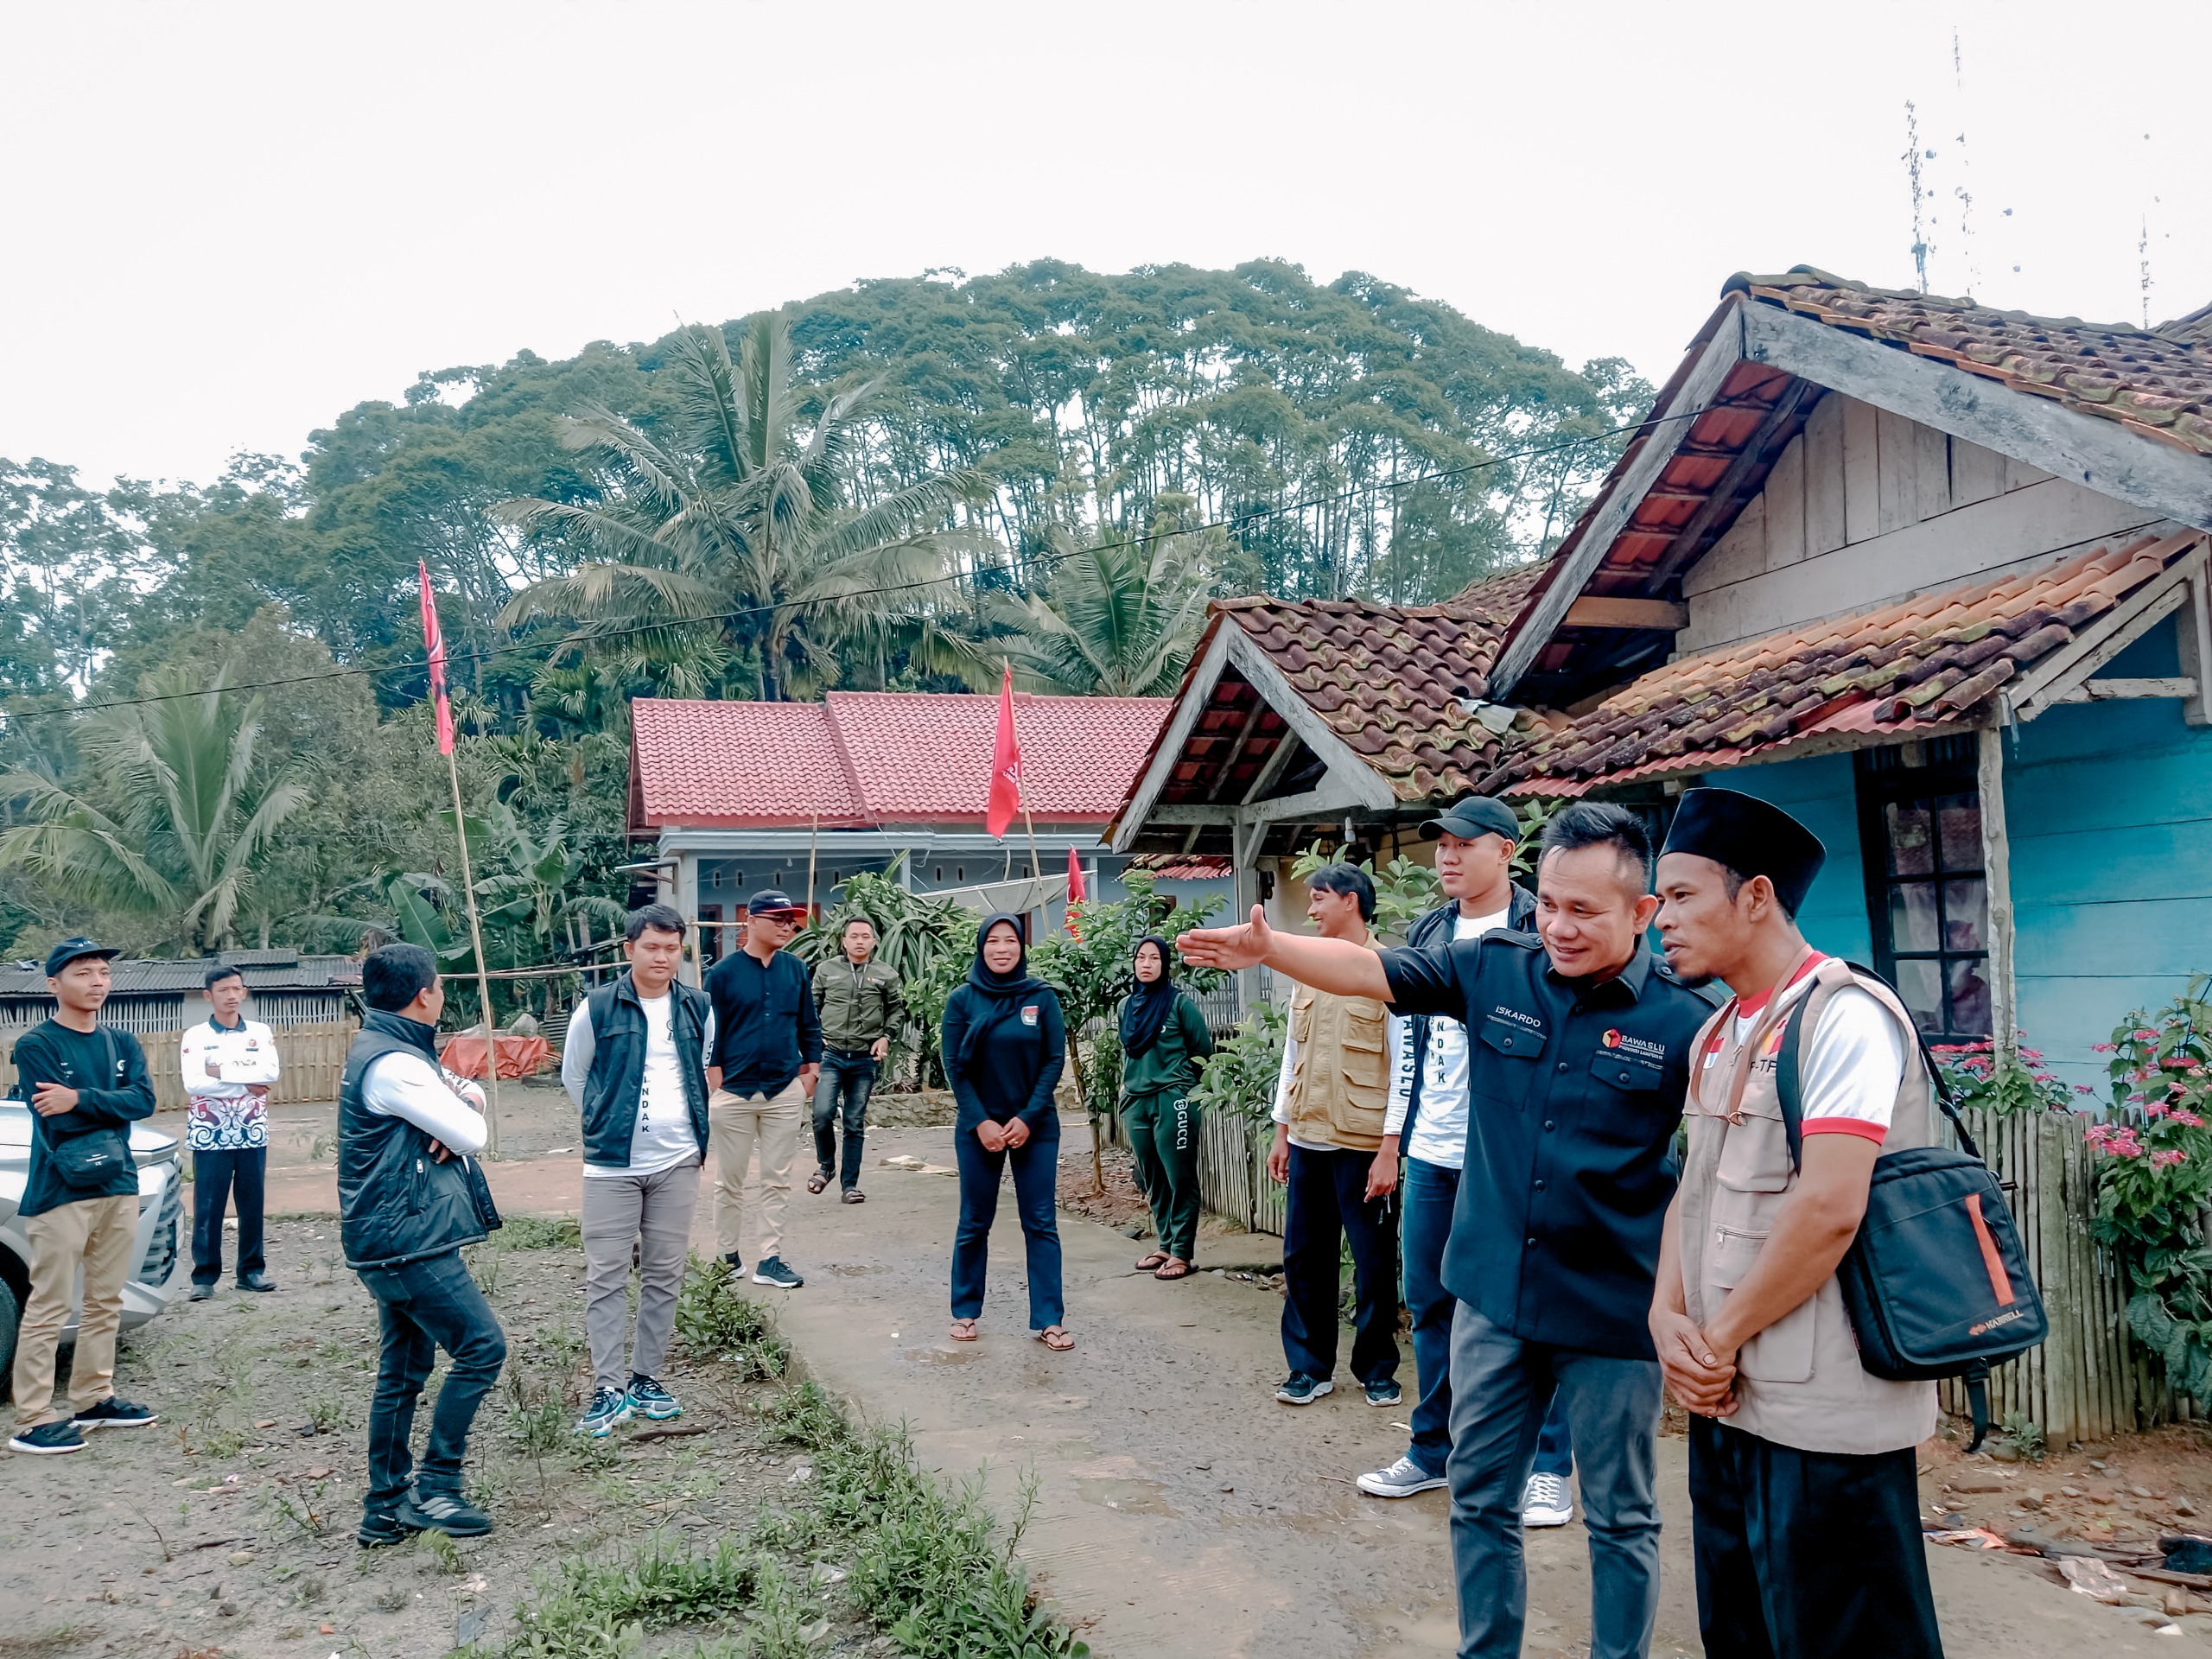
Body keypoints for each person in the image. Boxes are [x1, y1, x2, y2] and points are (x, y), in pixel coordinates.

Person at [1180, 805, 1716, 1659]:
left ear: (1642, 911)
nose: (1558, 927)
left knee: (1622, 1518)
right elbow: (1372, 970)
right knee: (1479, 1498)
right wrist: (1272, 949)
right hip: (1494, 1299)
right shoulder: (1496, 970)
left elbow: (1721, 1170)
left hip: (1613, 1313)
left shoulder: (1689, 1019)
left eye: (1585, 911)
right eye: (1550, 904)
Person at [1649, 788, 1944, 1659]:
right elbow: (1691, 1192)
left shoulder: (1845, 1017)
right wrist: (1665, 1316)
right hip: (1730, 1401)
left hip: (1825, 1414)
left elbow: (1829, 1209)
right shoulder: (1716, 1034)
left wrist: (1713, 1342)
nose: (1662, 919)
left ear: (1755, 896)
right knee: (1739, 1629)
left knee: (1845, 1638)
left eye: (1682, 896)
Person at [1359, 798, 1574, 1525]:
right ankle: (1434, 1450)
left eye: (1464, 844)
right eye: (1441, 844)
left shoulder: (1540, 928)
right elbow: (1410, 1049)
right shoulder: (1431, 930)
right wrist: (1395, 1138)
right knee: (1430, 1305)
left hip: (1510, 1158)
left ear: (1506, 851)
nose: (1447, 856)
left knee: (1531, 1309)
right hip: (1432, 1150)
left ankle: (1547, 1465)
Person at [340, 943, 506, 1545]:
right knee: (482, 1348)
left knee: (404, 1370)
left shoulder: (392, 1048)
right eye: (438, 986)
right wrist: (449, 1119)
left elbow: (467, 1093)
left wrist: (449, 1111)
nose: (440, 994)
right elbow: (472, 1130)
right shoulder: (397, 1065)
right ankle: (437, 1487)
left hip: (393, 1236)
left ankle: (384, 1508)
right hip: (406, 1240)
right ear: (424, 995)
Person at [561, 903, 716, 1438]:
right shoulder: (598, 1008)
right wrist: (607, 1123)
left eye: (672, 948)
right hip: (612, 1166)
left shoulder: (698, 1006)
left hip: (678, 1160)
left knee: (664, 1273)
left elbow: (701, 1069)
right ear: (630, 950)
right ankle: (608, 1387)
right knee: (606, 1276)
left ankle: (646, 1377)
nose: (662, 957)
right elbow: (575, 1077)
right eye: (651, 947)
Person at [7, 938, 159, 1456]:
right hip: (60, 1192)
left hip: (118, 1184)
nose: (97, 982)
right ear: (54, 984)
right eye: (83, 973)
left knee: (106, 1300)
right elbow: (56, 1116)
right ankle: (32, 1419)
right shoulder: (36, 1045)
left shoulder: (122, 1042)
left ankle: (95, 1397)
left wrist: (80, 1098)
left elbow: (144, 1100)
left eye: (102, 973)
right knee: (49, 1304)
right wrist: (102, 1104)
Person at [1267, 864, 1405, 1408]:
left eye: (1319, 898)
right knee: (1304, 1258)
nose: (1311, 910)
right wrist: (1282, 1130)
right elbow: (1291, 1054)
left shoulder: (1388, 970)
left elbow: (1405, 1064)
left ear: (1351, 901)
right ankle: (1309, 1367)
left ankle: (1377, 1368)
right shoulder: (1309, 969)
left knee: (1374, 1263)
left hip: (1365, 1145)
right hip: (1307, 1139)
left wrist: (1390, 1148)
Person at [942, 913, 1071, 1350]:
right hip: (978, 1128)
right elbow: (955, 1067)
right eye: (993, 941)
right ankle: (964, 1312)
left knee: (1041, 1222)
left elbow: (1053, 1060)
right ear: (981, 948)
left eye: (1010, 940)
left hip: (1035, 1126)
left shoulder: (1041, 997)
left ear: (1022, 946)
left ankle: (1050, 1319)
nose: (1002, 948)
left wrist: (1028, 1117)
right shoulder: (963, 1000)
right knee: (974, 1221)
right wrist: (981, 1121)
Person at [705, 888, 821, 1290]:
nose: (787, 927)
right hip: (733, 1092)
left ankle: (770, 1260)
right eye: (778, 920)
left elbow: (809, 1024)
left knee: (777, 1180)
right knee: (729, 1181)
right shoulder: (723, 974)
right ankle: (728, 1257)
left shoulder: (796, 970)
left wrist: (812, 1072)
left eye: (791, 921)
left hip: (783, 1091)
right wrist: (714, 1078)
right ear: (751, 922)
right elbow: (711, 1031)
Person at [181, 962, 282, 1300]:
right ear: (208, 996)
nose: (231, 995)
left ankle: (251, 1271)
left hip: (252, 1129)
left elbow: (269, 1074)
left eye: (237, 989)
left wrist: (220, 1073)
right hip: (210, 1131)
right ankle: (204, 1277)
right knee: (209, 1205)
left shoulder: (260, 1032)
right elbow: (195, 1083)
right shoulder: (196, 1036)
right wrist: (245, 1082)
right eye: (223, 990)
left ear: (245, 992)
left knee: (252, 1203)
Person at [1116, 935, 1215, 1281]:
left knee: (1179, 1176)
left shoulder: (1179, 1004)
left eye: (1154, 958)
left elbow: (1203, 1052)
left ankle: (1182, 1253)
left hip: (1173, 1098)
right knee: (1152, 1177)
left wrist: (1185, 1091)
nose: (1146, 964)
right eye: (1141, 958)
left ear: (1165, 964)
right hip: (1136, 1100)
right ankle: (1165, 1244)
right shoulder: (1125, 1006)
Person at [810, 913, 904, 1204]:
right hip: (832, 1055)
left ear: (874, 942)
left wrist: (886, 1036)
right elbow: (811, 1005)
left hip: (865, 1059)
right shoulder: (827, 970)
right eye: (854, 936)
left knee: (853, 1122)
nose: (860, 941)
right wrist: (815, 1035)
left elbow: (897, 1010)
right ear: (844, 941)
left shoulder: (886, 973)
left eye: (865, 937)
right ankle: (826, 1165)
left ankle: (849, 1185)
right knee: (821, 1113)